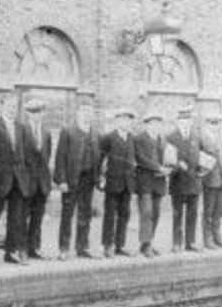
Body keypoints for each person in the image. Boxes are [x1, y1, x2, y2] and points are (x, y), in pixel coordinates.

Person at [0, 93, 31, 267]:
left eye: (15, 106)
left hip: (18, 180)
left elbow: (26, 155)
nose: (12, 109)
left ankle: (11, 252)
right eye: (9, 106)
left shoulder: (22, 128)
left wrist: (25, 176)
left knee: (16, 218)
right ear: (1, 106)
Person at [54, 104, 101, 260]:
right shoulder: (68, 131)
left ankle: (82, 247)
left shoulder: (95, 133)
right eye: (84, 111)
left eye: (90, 112)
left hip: (88, 179)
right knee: (67, 214)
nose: (87, 115)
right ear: (78, 113)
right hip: (71, 179)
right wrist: (61, 180)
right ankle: (64, 248)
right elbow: (60, 157)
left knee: (85, 214)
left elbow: (98, 158)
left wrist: (98, 177)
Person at [100, 107, 136, 258]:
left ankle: (120, 245)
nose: (125, 122)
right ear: (117, 121)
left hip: (127, 184)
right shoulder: (108, 138)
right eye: (122, 119)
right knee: (110, 215)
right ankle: (108, 245)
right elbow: (100, 160)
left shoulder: (132, 138)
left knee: (124, 214)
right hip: (112, 183)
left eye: (128, 120)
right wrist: (101, 178)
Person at [135, 111, 171, 258]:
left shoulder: (162, 140)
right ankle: (146, 244)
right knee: (147, 212)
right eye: (152, 123)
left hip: (159, 182)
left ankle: (148, 243)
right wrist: (158, 168)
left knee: (156, 213)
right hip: (145, 183)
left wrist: (169, 168)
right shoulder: (139, 139)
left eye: (158, 123)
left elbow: (169, 158)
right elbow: (140, 158)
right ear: (147, 124)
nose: (155, 126)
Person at [167, 107, 202, 253]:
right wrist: (177, 164)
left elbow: (202, 157)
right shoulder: (171, 137)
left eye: (188, 120)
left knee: (192, 213)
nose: (185, 123)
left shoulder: (196, 137)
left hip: (194, 182)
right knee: (177, 213)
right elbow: (167, 160)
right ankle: (176, 243)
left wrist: (202, 169)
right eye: (182, 120)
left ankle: (190, 242)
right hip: (178, 182)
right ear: (178, 122)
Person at [22, 98, 52, 259]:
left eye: (39, 112)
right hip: (27, 182)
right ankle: (22, 249)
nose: (37, 115)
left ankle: (34, 247)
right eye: (33, 112)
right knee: (23, 216)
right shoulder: (22, 130)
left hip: (41, 183)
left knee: (37, 217)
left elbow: (47, 157)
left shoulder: (46, 133)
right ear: (28, 113)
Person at [200, 112, 222, 249]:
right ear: (206, 124)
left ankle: (216, 235)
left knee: (220, 210)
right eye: (212, 123)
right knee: (208, 210)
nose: (215, 126)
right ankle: (207, 239)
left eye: (217, 123)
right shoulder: (202, 139)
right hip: (210, 179)